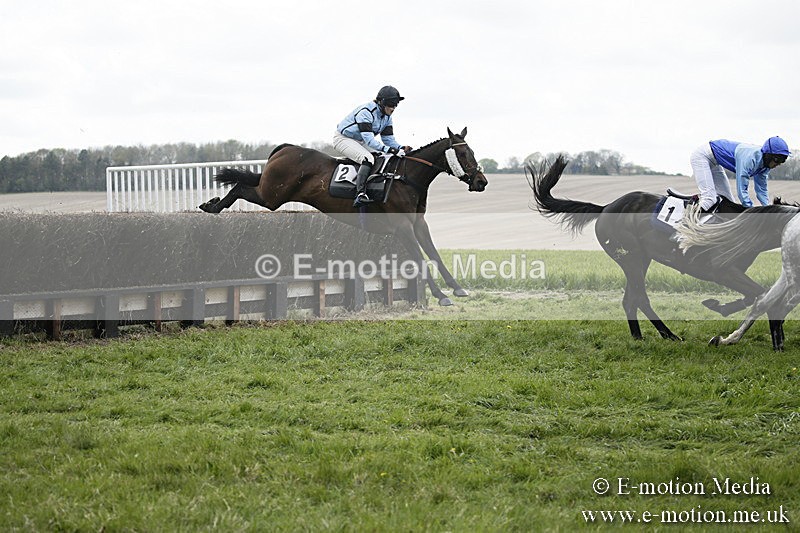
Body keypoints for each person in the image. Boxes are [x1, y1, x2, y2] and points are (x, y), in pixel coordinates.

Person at [334, 86, 412, 207]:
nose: (393, 108)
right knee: (368, 159)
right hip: (343, 139)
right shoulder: (366, 113)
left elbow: (388, 140)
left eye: (395, 105)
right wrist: (391, 150)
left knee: (382, 156)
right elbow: (370, 141)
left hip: (360, 141)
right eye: (391, 105)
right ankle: (360, 193)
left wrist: (400, 148)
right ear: (382, 102)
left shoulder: (387, 117)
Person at [689, 136, 791, 211]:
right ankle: (685, 223)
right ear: (768, 155)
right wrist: (750, 210)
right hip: (702, 156)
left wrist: (768, 209)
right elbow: (742, 190)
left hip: (715, 162)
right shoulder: (749, 159)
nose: (778, 164)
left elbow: (761, 190)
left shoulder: (765, 167)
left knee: (728, 202)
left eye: (782, 161)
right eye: (777, 160)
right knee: (709, 199)